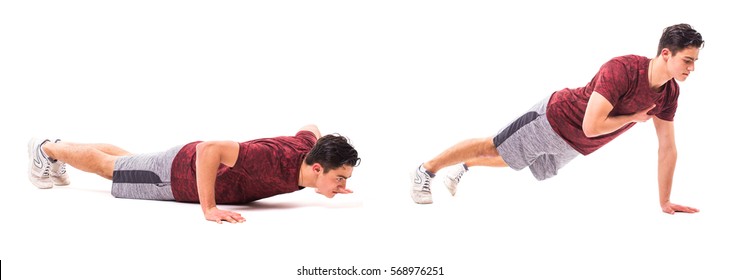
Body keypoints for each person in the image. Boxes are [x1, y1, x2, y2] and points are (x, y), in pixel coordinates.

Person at [410, 23, 703, 215]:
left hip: (577, 146)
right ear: (666, 54)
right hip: (554, 119)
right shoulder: (623, 69)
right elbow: (592, 125)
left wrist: (664, 201)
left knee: (514, 161)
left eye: (695, 62)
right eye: (687, 60)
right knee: (493, 146)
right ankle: (427, 170)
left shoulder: (669, 94)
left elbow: (667, 148)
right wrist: (633, 117)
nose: (691, 68)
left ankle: (464, 165)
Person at [27, 124, 361, 223]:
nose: (343, 184)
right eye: (340, 177)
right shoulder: (269, 159)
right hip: (176, 176)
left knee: (129, 160)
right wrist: (209, 208)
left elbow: (311, 128)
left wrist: (328, 185)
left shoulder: (309, 150)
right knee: (111, 169)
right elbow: (209, 149)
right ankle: (48, 150)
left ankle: (58, 151)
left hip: (179, 164)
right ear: (317, 167)